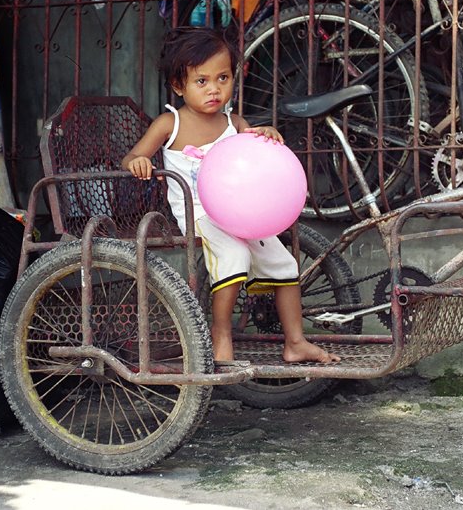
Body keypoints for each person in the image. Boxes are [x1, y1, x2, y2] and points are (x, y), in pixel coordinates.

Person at [122, 26, 340, 365]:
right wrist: (138, 162)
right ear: (179, 86)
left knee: (284, 264)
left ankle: (295, 342)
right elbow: (131, 157)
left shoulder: (233, 122)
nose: (214, 89)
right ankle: (220, 332)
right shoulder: (170, 123)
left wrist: (264, 133)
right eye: (202, 81)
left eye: (223, 78)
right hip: (202, 214)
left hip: (243, 213)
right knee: (234, 257)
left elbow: (254, 151)